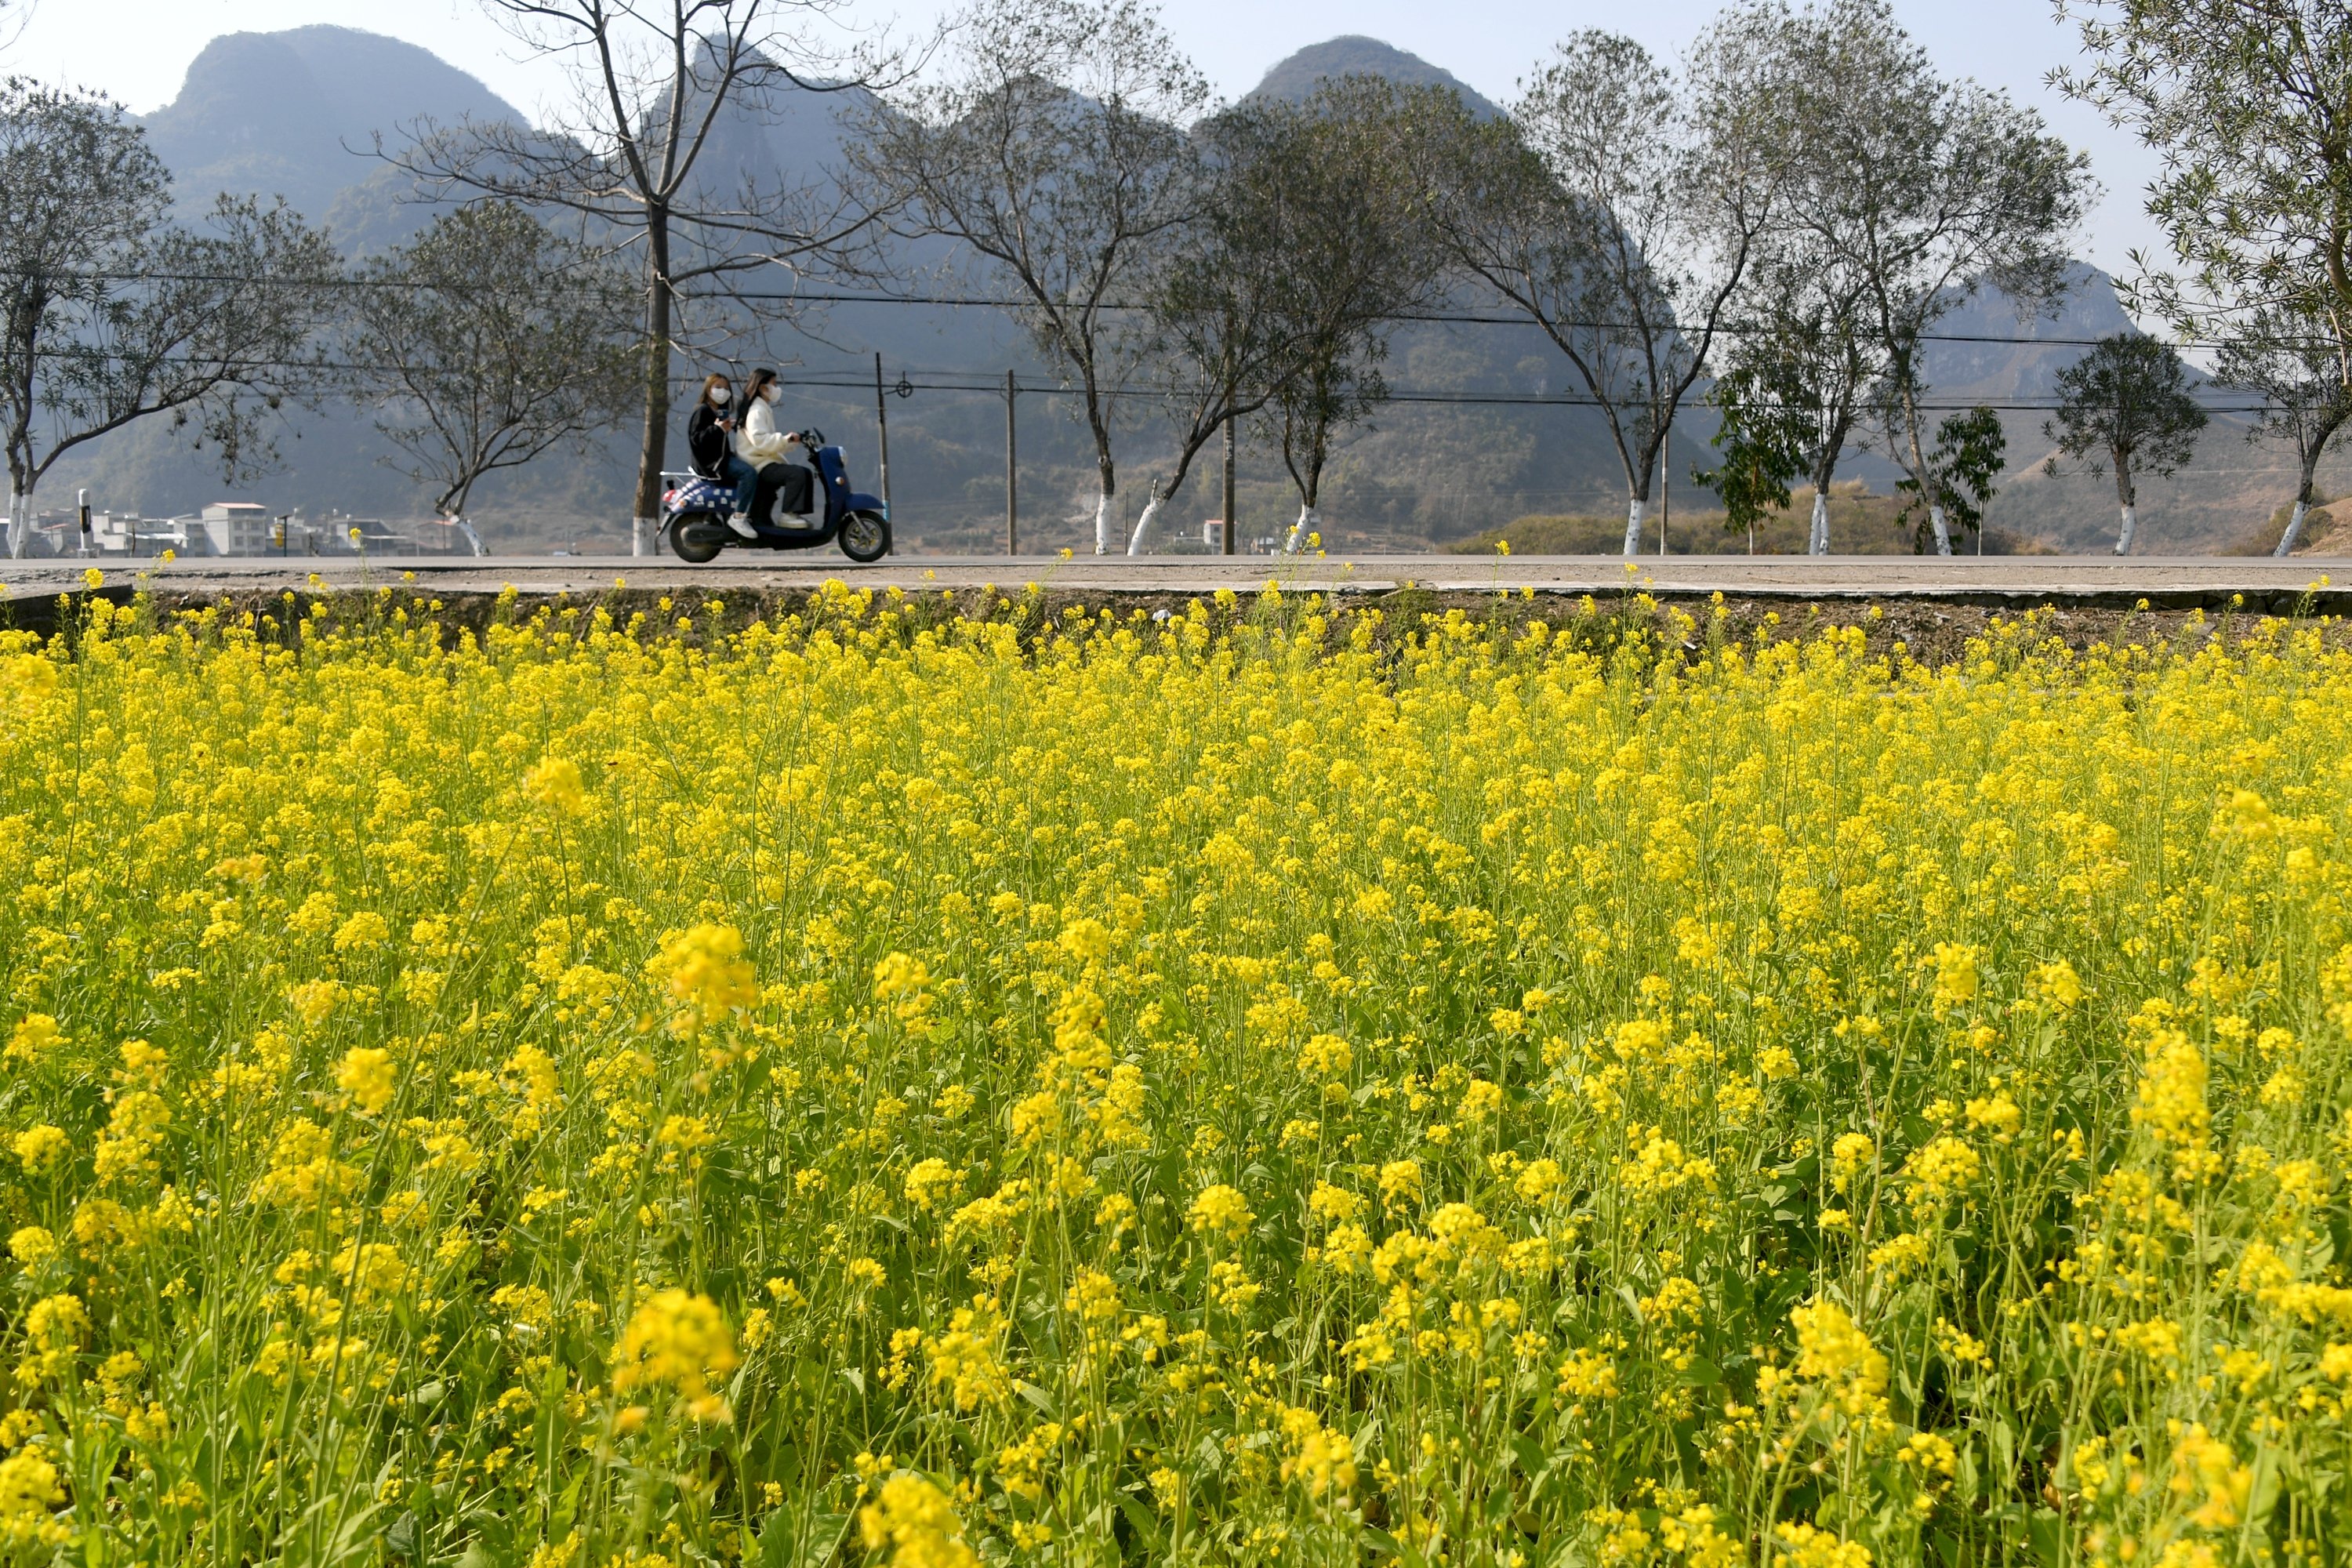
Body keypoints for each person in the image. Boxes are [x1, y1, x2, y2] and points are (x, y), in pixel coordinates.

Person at [736, 368, 815, 525]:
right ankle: (788, 515)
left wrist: (789, 442)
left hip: (763, 461)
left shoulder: (762, 408)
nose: (777, 389)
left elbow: (768, 442)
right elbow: (760, 440)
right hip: (758, 464)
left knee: (803, 473)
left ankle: (777, 519)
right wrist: (786, 439)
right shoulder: (757, 411)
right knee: (798, 474)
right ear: (762, 388)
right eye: (774, 384)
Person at [686, 375, 760, 535]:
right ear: (708, 389)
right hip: (713, 463)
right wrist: (718, 429)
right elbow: (696, 438)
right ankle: (739, 516)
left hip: (722, 458)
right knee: (748, 473)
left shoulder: (718, 412)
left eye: (726, 388)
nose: (723, 392)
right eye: (718, 387)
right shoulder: (703, 410)